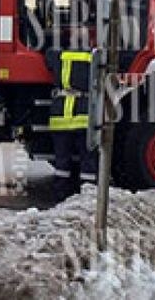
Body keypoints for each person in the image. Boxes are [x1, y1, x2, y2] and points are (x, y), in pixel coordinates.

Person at [47, 49, 98, 202]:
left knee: (62, 163)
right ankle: (87, 199)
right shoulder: (94, 57)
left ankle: (60, 197)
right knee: (88, 163)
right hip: (83, 117)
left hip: (60, 117)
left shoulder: (56, 55)